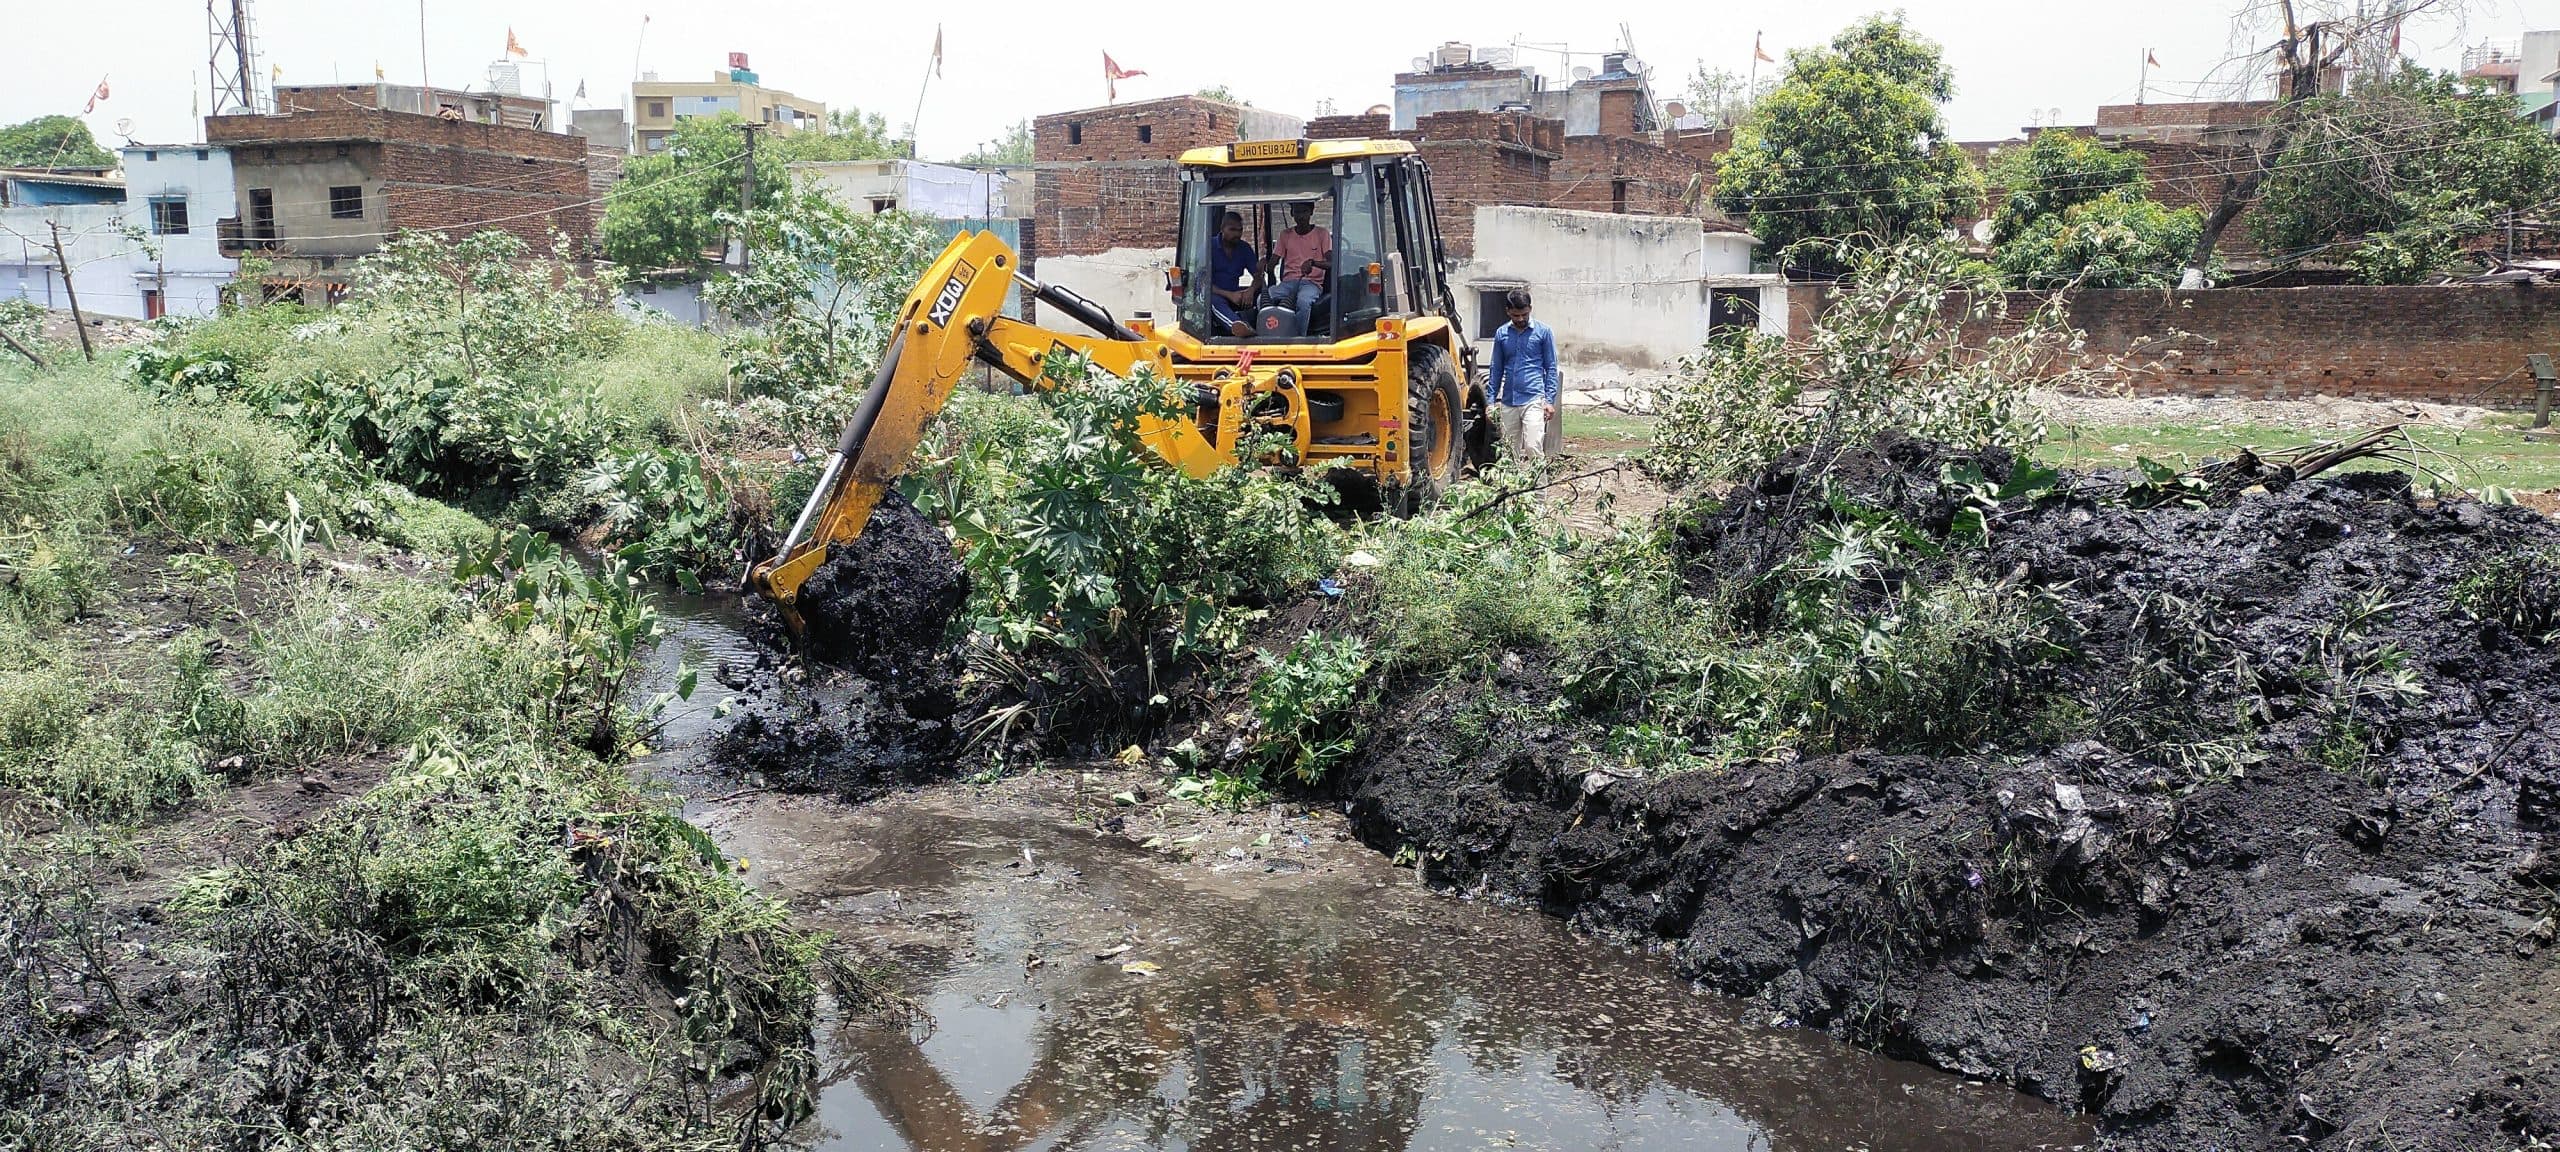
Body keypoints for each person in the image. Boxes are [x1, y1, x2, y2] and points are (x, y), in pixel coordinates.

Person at [1485, 289, 1559, 464]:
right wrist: (1490, 401)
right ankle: (1514, 491)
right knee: (1509, 453)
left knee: (1533, 447)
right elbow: (1496, 368)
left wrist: (1549, 400)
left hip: (1533, 399)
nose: (1520, 319)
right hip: (1508, 401)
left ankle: (1540, 491)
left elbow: (1551, 367)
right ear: (1508, 311)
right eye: (1515, 315)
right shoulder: (1501, 334)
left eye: (1524, 314)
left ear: (1530, 309)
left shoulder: (1544, 332)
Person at [1260, 201, 1329, 321]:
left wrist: (1313, 263)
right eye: (1297, 212)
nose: (1301, 216)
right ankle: (1266, 334)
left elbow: (1332, 263)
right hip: (1288, 283)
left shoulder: (1322, 234)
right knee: (1262, 298)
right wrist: (1264, 265)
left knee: (1303, 301)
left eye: (1304, 211)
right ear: (1292, 213)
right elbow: (1272, 264)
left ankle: (1299, 337)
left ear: (1311, 212)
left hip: (1311, 284)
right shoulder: (1285, 235)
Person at [1205, 211, 1260, 338]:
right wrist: (1229, 295)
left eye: (1240, 230)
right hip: (1216, 294)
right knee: (1212, 301)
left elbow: (1258, 276)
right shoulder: (1209, 247)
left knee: (1264, 293)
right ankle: (1237, 326)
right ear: (1222, 228)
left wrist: (1250, 291)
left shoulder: (1244, 248)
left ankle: (1268, 328)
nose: (1237, 234)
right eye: (1232, 230)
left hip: (1236, 293)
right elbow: (1202, 283)